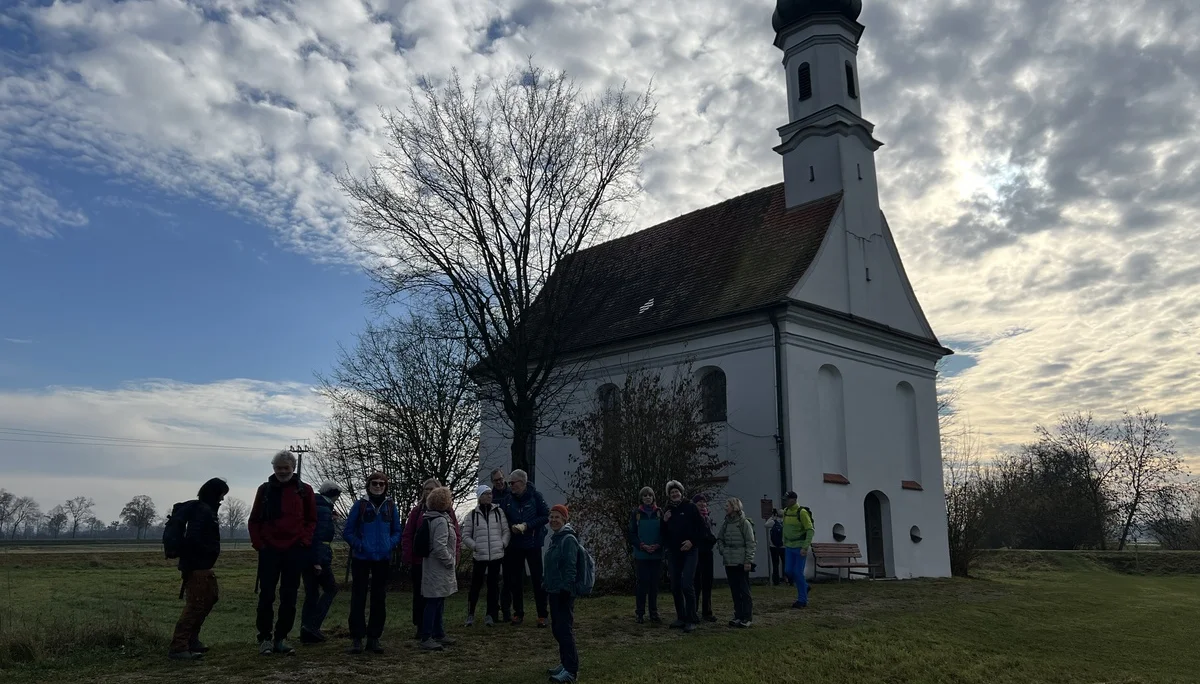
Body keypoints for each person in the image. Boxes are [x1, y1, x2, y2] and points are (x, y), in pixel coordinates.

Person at [249, 450, 317, 656]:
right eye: (278, 468)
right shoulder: (264, 490)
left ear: (293, 468)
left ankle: (281, 637)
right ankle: (265, 638)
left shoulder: (305, 490)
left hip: (294, 551)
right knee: (266, 596)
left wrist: (304, 542)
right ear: (273, 468)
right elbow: (254, 520)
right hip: (269, 550)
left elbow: (312, 520)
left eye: (285, 468)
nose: (282, 471)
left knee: (289, 596)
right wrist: (259, 544)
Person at [167, 477, 229, 661]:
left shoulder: (204, 510)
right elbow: (194, 538)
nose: (222, 499)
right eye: (221, 494)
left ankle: (191, 640)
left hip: (201, 566)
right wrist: (205, 553)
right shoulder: (202, 511)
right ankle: (179, 646)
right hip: (197, 566)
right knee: (196, 605)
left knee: (209, 599)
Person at [342, 472, 403, 654]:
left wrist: (389, 545)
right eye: (374, 483)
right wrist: (359, 545)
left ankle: (374, 638)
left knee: (379, 599)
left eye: (381, 484)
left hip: (382, 559)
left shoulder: (391, 506)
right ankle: (356, 638)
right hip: (361, 558)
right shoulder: (360, 505)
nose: (378, 486)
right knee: (358, 598)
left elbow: (397, 531)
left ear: (386, 487)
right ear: (368, 485)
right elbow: (348, 531)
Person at [403, 478, 462, 637]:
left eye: (432, 489)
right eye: (426, 489)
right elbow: (409, 534)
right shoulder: (418, 511)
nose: (428, 492)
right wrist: (409, 556)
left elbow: (455, 535)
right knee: (422, 596)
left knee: (437, 597)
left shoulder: (447, 513)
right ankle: (422, 628)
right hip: (420, 560)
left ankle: (434, 629)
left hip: (438, 561)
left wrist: (455, 555)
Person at [499, 468, 550, 627]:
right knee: (516, 580)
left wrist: (527, 526)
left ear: (522, 482)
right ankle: (518, 613)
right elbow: (503, 518)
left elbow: (545, 516)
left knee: (537, 579)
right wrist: (511, 527)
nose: (510, 485)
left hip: (533, 544)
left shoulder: (536, 497)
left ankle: (542, 614)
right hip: (515, 545)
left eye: (512, 483)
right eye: (509, 483)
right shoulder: (508, 499)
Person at [462, 484, 510, 627]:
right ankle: (471, 614)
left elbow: (506, 530)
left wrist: (503, 544)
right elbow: (465, 535)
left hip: (496, 555)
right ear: (479, 496)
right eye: (486, 494)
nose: (489, 496)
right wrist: (475, 546)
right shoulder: (472, 515)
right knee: (475, 585)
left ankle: (490, 614)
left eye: (490, 493)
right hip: (480, 555)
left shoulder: (498, 512)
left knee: (493, 586)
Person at [300, 480, 341, 644]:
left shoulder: (314, 506)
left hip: (305, 555)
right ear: (334, 495)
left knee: (312, 593)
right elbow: (319, 536)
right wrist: (317, 561)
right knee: (331, 589)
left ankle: (306, 630)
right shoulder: (323, 510)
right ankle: (312, 626)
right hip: (318, 557)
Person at [661, 479, 705, 633]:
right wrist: (664, 521)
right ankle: (681, 617)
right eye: (672, 492)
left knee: (687, 584)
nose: (675, 494)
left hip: (690, 551)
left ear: (681, 493)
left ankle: (691, 618)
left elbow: (702, 528)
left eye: (676, 491)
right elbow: (663, 534)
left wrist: (692, 542)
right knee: (675, 586)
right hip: (674, 553)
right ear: (669, 495)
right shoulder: (667, 511)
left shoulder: (691, 507)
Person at [543, 504, 581, 683]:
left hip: (563, 592)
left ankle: (571, 671)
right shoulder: (556, 538)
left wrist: (567, 588)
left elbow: (570, 566)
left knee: (564, 630)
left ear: (564, 519)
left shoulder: (568, 539)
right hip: (553, 589)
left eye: (557, 517)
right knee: (557, 629)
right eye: (551, 517)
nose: (553, 520)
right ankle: (564, 662)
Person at [419, 486, 458, 651]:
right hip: (438, 568)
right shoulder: (441, 521)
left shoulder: (432, 518)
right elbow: (439, 546)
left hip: (434, 568)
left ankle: (438, 633)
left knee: (439, 600)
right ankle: (427, 636)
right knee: (434, 601)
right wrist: (451, 561)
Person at [717, 497, 756, 628]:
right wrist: (723, 551)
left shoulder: (744, 523)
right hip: (729, 562)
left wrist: (748, 560)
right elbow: (720, 539)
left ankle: (747, 616)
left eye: (727, 505)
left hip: (741, 562)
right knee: (734, 590)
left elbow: (750, 543)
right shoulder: (726, 523)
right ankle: (738, 615)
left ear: (734, 507)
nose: (725, 508)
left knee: (744, 590)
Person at [628, 486, 663, 624]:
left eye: (650, 495)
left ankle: (653, 612)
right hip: (641, 555)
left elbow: (664, 532)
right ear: (641, 498)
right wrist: (642, 545)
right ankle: (640, 613)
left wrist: (658, 545)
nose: (648, 497)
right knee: (642, 585)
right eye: (645, 495)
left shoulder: (659, 512)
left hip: (656, 554)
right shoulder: (636, 513)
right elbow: (632, 534)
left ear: (653, 497)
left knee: (654, 585)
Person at [488, 468, 514, 622]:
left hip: (510, 541)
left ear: (504, 478)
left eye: (500, 479)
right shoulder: (490, 498)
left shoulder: (511, 495)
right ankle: (493, 611)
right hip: (494, 541)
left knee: (508, 578)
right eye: (496, 480)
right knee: (493, 578)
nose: (499, 482)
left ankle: (506, 609)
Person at [781, 491, 814, 608]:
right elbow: (785, 527)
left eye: (787, 499)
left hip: (800, 546)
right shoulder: (785, 512)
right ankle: (805, 586)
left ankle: (802, 600)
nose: (785, 501)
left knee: (797, 572)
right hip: (789, 546)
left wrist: (805, 547)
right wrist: (784, 540)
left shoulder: (802, 513)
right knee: (788, 571)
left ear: (793, 500)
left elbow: (810, 530)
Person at [693, 494, 718, 623]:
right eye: (699, 503)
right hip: (697, 552)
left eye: (704, 502)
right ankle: (694, 611)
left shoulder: (708, 518)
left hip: (708, 553)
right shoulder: (693, 519)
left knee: (707, 583)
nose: (702, 505)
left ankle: (707, 611)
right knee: (696, 583)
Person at [764, 508, 788, 586]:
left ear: (776, 514)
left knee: (775, 564)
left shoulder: (773, 522)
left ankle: (776, 581)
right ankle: (787, 579)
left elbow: (766, 525)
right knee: (785, 563)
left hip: (773, 546)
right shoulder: (786, 522)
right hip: (784, 546)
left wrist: (772, 516)